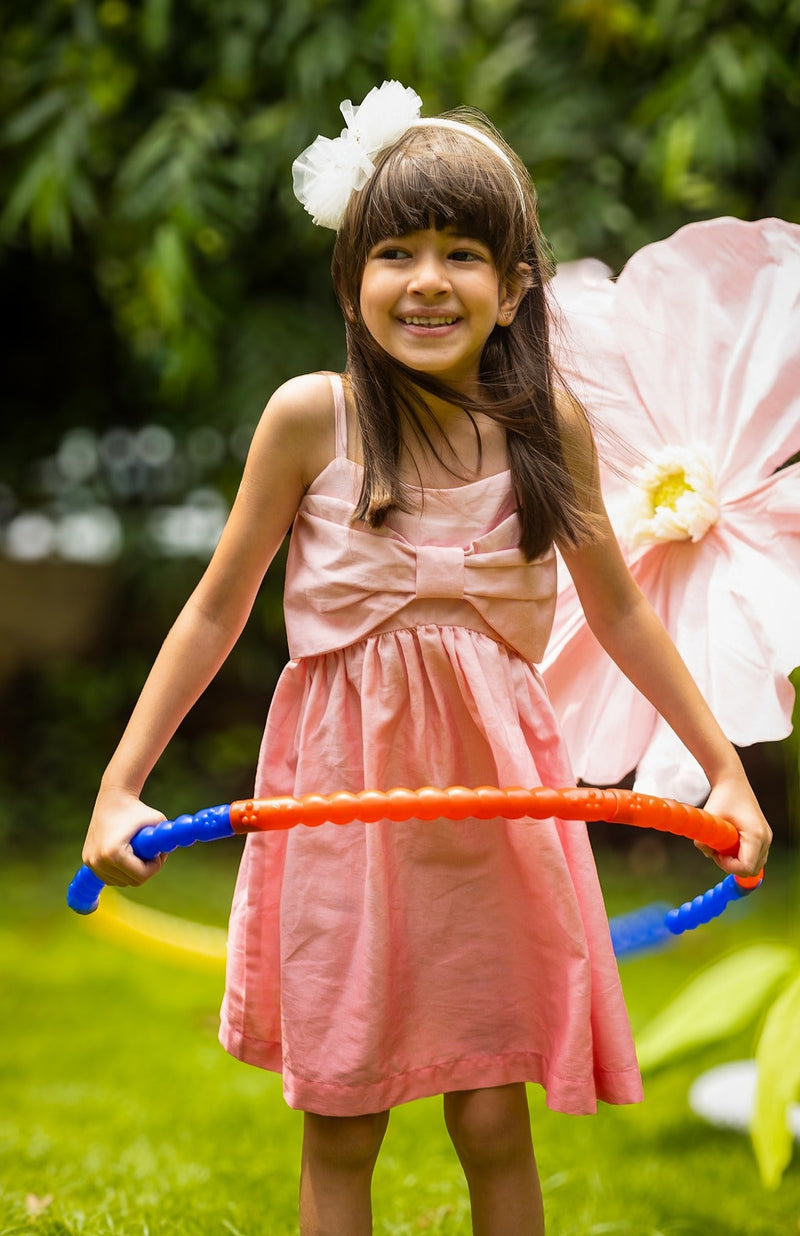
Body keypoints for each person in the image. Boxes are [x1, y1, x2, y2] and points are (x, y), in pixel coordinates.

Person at [81, 82, 772, 1236]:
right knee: (342, 1119)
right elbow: (214, 608)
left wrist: (723, 770)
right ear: (351, 284)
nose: (426, 279)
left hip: (489, 817)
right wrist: (118, 783)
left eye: (461, 252)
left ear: (511, 291)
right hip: (343, 807)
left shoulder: (548, 427)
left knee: (491, 1114)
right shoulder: (310, 420)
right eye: (394, 250)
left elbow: (619, 612)